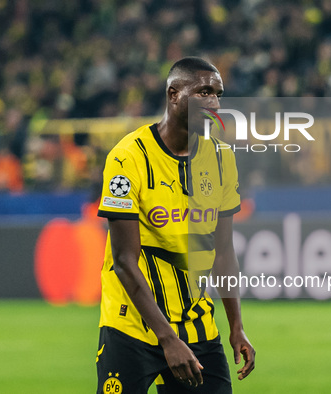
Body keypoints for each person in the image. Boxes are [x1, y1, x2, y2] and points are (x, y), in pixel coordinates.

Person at [96, 57, 255, 393]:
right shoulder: (128, 158)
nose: (214, 102)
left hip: (197, 324)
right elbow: (125, 260)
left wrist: (236, 326)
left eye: (218, 94)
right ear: (173, 95)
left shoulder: (221, 158)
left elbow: (223, 252)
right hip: (133, 326)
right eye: (203, 92)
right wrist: (167, 338)